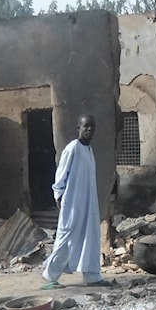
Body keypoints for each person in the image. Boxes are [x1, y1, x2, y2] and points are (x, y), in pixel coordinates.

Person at [41, 114, 111, 289]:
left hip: (88, 203)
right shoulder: (73, 148)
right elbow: (61, 172)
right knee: (66, 238)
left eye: (91, 127)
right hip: (72, 202)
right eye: (85, 126)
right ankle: (50, 276)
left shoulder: (89, 150)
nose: (89, 130)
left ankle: (92, 276)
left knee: (91, 237)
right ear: (78, 128)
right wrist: (59, 194)